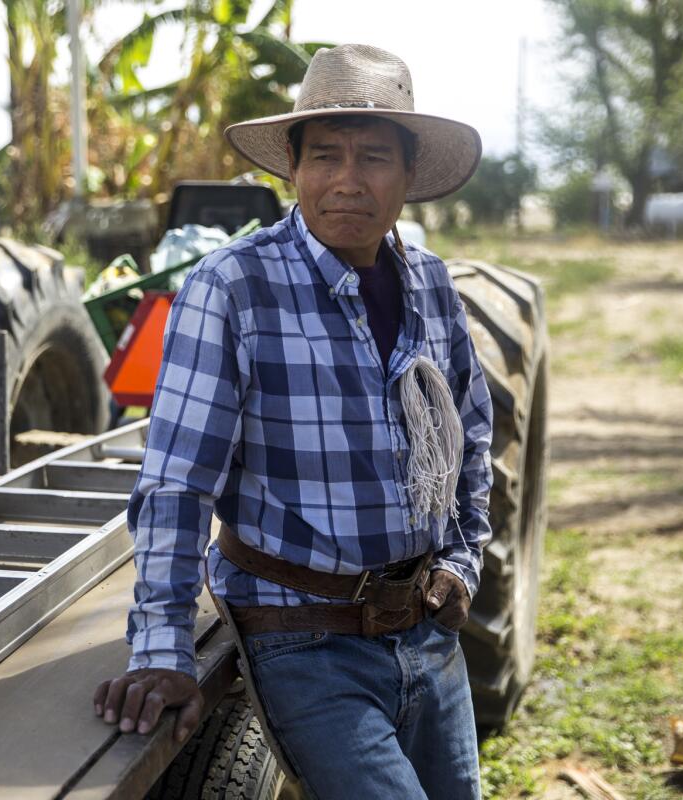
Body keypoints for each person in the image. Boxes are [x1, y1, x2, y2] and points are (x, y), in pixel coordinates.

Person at [93, 43, 493, 800]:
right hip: (302, 635)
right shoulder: (234, 286)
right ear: (292, 168)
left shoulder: (432, 285)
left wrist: (461, 560)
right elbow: (177, 483)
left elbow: (470, 439)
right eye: (326, 157)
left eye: (374, 157)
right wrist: (162, 650)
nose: (347, 181)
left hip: (424, 628)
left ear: (408, 176)